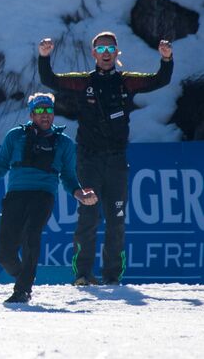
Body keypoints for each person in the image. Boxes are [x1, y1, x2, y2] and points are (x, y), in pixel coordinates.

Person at [38, 32, 173, 285]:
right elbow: (50, 79)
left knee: (116, 219)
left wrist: (166, 59)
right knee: (88, 218)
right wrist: (44, 56)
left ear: (117, 52)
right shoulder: (83, 82)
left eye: (110, 48)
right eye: (100, 49)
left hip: (117, 161)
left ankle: (112, 276)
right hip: (88, 160)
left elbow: (160, 80)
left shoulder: (126, 82)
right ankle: (83, 275)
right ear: (93, 54)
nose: (106, 53)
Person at [0, 93, 98, 303]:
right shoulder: (15, 136)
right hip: (16, 195)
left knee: (30, 236)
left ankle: (23, 290)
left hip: (43, 196)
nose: (46, 116)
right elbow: (0, 166)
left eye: (49, 111)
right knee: (4, 254)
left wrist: (80, 194)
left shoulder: (63, 143)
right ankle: (25, 275)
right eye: (41, 111)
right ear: (32, 114)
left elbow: (69, 177)